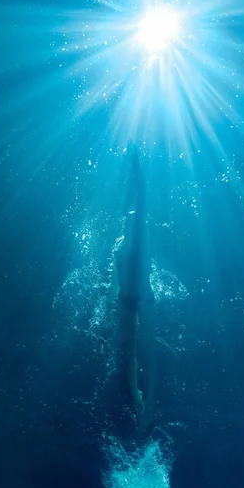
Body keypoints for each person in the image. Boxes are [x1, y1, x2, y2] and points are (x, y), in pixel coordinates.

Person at [108, 148, 157, 429]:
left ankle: (148, 404)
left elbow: (142, 202)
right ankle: (138, 399)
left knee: (147, 349)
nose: (130, 219)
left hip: (144, 298)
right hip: (127, 299)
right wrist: (110, 298)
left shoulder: (138, 238)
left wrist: (138, 168)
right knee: (128, 350)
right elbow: (114, 282)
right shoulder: (120, 246)